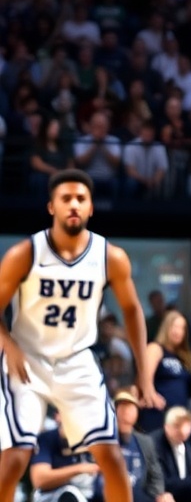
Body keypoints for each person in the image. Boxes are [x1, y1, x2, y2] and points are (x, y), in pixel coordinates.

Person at [0, 169, 161, 502]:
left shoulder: (110, 257)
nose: (73, 204)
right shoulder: (25, 253)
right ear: (51, 207)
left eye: (80, 199)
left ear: (90, 207)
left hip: (76, 360)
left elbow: (132, 311)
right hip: (27, 360)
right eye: (66, 198)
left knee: (111, 457)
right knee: (15, 457)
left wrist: (144, 373)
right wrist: (9, 346)